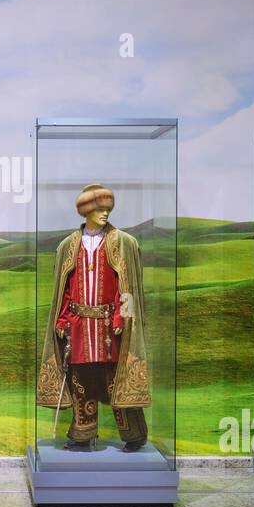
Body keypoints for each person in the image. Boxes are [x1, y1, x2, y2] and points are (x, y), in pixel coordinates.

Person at [36, 184, 150, 452]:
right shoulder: (68, 246)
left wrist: (124, 319)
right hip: (79, 328)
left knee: (115, 379)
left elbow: (127, 286)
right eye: (99, 209)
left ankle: (134, 435)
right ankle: (82, 435)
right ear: (86, 211)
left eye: (107, 208)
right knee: (82, 381)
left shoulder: (123, 242)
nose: (105, 213)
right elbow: (65, 288)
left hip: (111, 329)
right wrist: (62, 320)